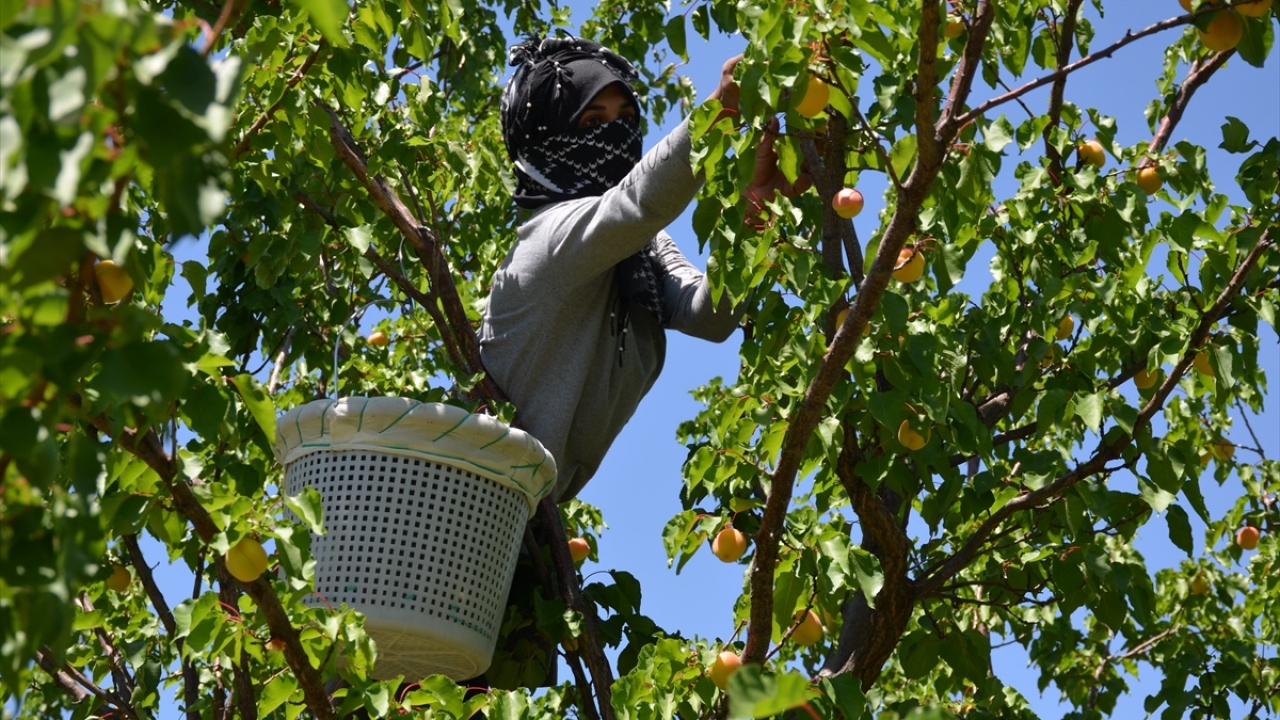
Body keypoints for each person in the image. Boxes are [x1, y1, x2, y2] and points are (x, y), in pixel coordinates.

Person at [479, 35, 806, 503]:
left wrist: (756, 217)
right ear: (547, 138)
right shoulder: (550, 238)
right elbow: (638, 203)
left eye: (626, 120)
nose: (615, 136)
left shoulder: (641, 253)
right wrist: (721, 112)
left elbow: (708, 316)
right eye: (593, 121)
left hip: (521, 518)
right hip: (462, 504)